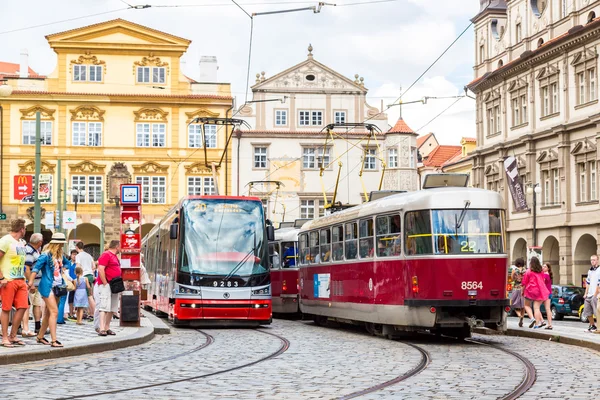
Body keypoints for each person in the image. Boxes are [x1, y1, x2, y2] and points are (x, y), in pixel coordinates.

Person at [29, 232, 71, 348]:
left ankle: (40, 336)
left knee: (48, 313)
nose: (62, 246)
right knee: (54, 312)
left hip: (58, 286)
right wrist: (31, 282)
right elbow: (36, 269)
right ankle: (54, 340)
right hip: (47, 287)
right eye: (61, 244)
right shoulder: (45, 255)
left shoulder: (60, 255)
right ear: (57, 244)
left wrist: (62, 269)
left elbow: (68, 263)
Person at [0, 218, 29, 347]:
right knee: (6, 308)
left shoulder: (22, 242)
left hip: (20, 279)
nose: (25, 231)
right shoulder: (5, 241)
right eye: (25, 229)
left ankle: (13, 335)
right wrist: (1, 278)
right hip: (8, 280)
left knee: (23, 307)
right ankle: (5, 337)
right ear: (21, 229)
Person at [95, 240, 122, 337]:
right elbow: (101, 268)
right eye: (120, 246)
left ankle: (107, 327)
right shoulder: (106, 255)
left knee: (112, 307)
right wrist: (105, 283)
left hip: (114, 284)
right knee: (104, 306)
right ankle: (102, 328)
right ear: (117, 246)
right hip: (106, 284)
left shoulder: (115, 256)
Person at [22, 233, 43, 337]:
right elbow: (27, 267)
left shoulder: (34, 250)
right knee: (27, 306)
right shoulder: (29, 251)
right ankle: (24, 328)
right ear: (39, 242)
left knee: (37, 304)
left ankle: (38, 326)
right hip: (31, 284)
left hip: (37, 283)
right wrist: (31, 283)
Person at [522, 256, 550, 329]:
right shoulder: (541, 271)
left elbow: (524, 283)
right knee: (536, 308)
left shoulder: (528, 271)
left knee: (526, 305)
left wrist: (522, 291)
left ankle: (532, 318)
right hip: (540, 290)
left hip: (530, 290)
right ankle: (537, 324)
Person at [75, 242, 96, 321]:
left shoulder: (78, 256)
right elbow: (93, 266)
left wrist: (78, 276)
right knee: (89, 294)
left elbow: (78, 266)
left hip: (83, 276)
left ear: (77, 247)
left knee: (89, 296)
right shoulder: (88, 255)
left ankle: (94, 314)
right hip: (90, 275)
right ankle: (90, 313)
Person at [582, 254, 599, 332]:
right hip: (589, 294)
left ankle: (598, 327)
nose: (592, 261)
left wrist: (595, 295)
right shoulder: (590, 271)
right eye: (591, 260)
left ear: (597, 260)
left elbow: (599, 284)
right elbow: (587, 283)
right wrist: (586, 293)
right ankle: (592, 325)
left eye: (594, 260)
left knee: (596, 312)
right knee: (587, 311)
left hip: (596, 294)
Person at [509, 258, 526, 327]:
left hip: (516, 288)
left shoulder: (514, 270)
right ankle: (522, 316)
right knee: (523, 305)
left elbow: (512, 278)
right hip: (523, 288)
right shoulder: (525, 270)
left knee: (514, 304)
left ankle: (519, 316)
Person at [66, 250, 78, 321]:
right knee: (70, 298)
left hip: (76, 282)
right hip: (69, 282)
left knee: (76, 298)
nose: (74, 256)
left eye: (76, 254)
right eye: (73, 254)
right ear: (71, 255)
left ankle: (75, 312)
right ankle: (70, 313)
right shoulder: (68, 263)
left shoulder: (77, 264)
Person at [541, 262, 554, 330]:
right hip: (549, 293)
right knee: (548, 309)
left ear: (548, 268)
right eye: (543, 266)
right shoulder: (548, 274)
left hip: (545, 293)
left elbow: (542, 283)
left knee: (536, 307)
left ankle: (542, 321)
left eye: (545, 267)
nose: (543, 268)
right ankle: (549, 324)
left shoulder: (545, 275)